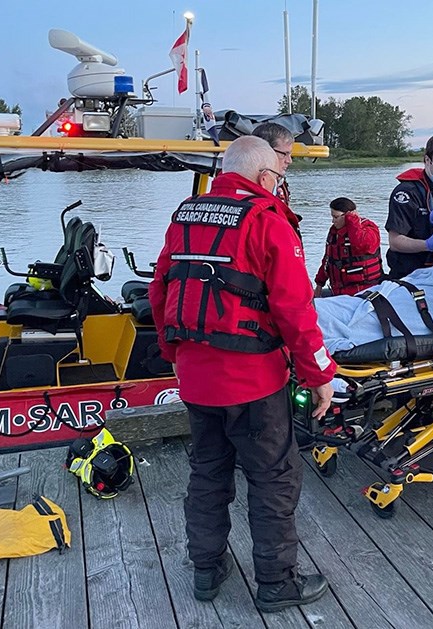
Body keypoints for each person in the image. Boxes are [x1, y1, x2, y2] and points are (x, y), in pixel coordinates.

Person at [148, 135, 336, 612]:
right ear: (262, 176)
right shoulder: (268, 222)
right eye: (278, 175)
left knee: (208, 470)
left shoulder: (185, 216)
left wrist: (174, 353)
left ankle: (206, 570)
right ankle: (276, 583)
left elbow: (161, 291)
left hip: (195, 377)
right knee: (273, 476)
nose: (279, 184)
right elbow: (296, 310)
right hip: (254, 381)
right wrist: (319, 376)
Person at [385, 132, 433, 279]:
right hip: (409, 276)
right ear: (427, 160)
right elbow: (395, 242)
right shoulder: (406, 193)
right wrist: (427, 245)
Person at [314, 197, 384, 296]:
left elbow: (362, 245)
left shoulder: (369, 229)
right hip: (339, 291)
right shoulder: (334, 232)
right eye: (332, 217)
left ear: (348, 215)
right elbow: (327, 260)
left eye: (336, 217)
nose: (333, 221)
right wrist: (319, 283)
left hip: (364, 290)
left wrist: (352, 220)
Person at [252, 122, 295, 205]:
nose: (289, 161)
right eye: (284, 154)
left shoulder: (279, 184)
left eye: (290, 154)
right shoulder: (247, 188)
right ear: (265, 152)